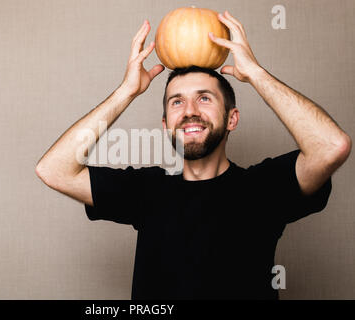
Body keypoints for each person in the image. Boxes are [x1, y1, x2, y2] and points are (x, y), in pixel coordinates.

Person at [35, 11, 351, 299]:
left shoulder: (263, 187)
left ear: (232, 118)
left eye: (204, 99)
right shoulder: (147, 190)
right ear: (165, 124)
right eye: (176, 102)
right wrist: (125, 92)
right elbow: (53, 170)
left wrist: (255, 73)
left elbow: (331, 147)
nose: (189, 112)